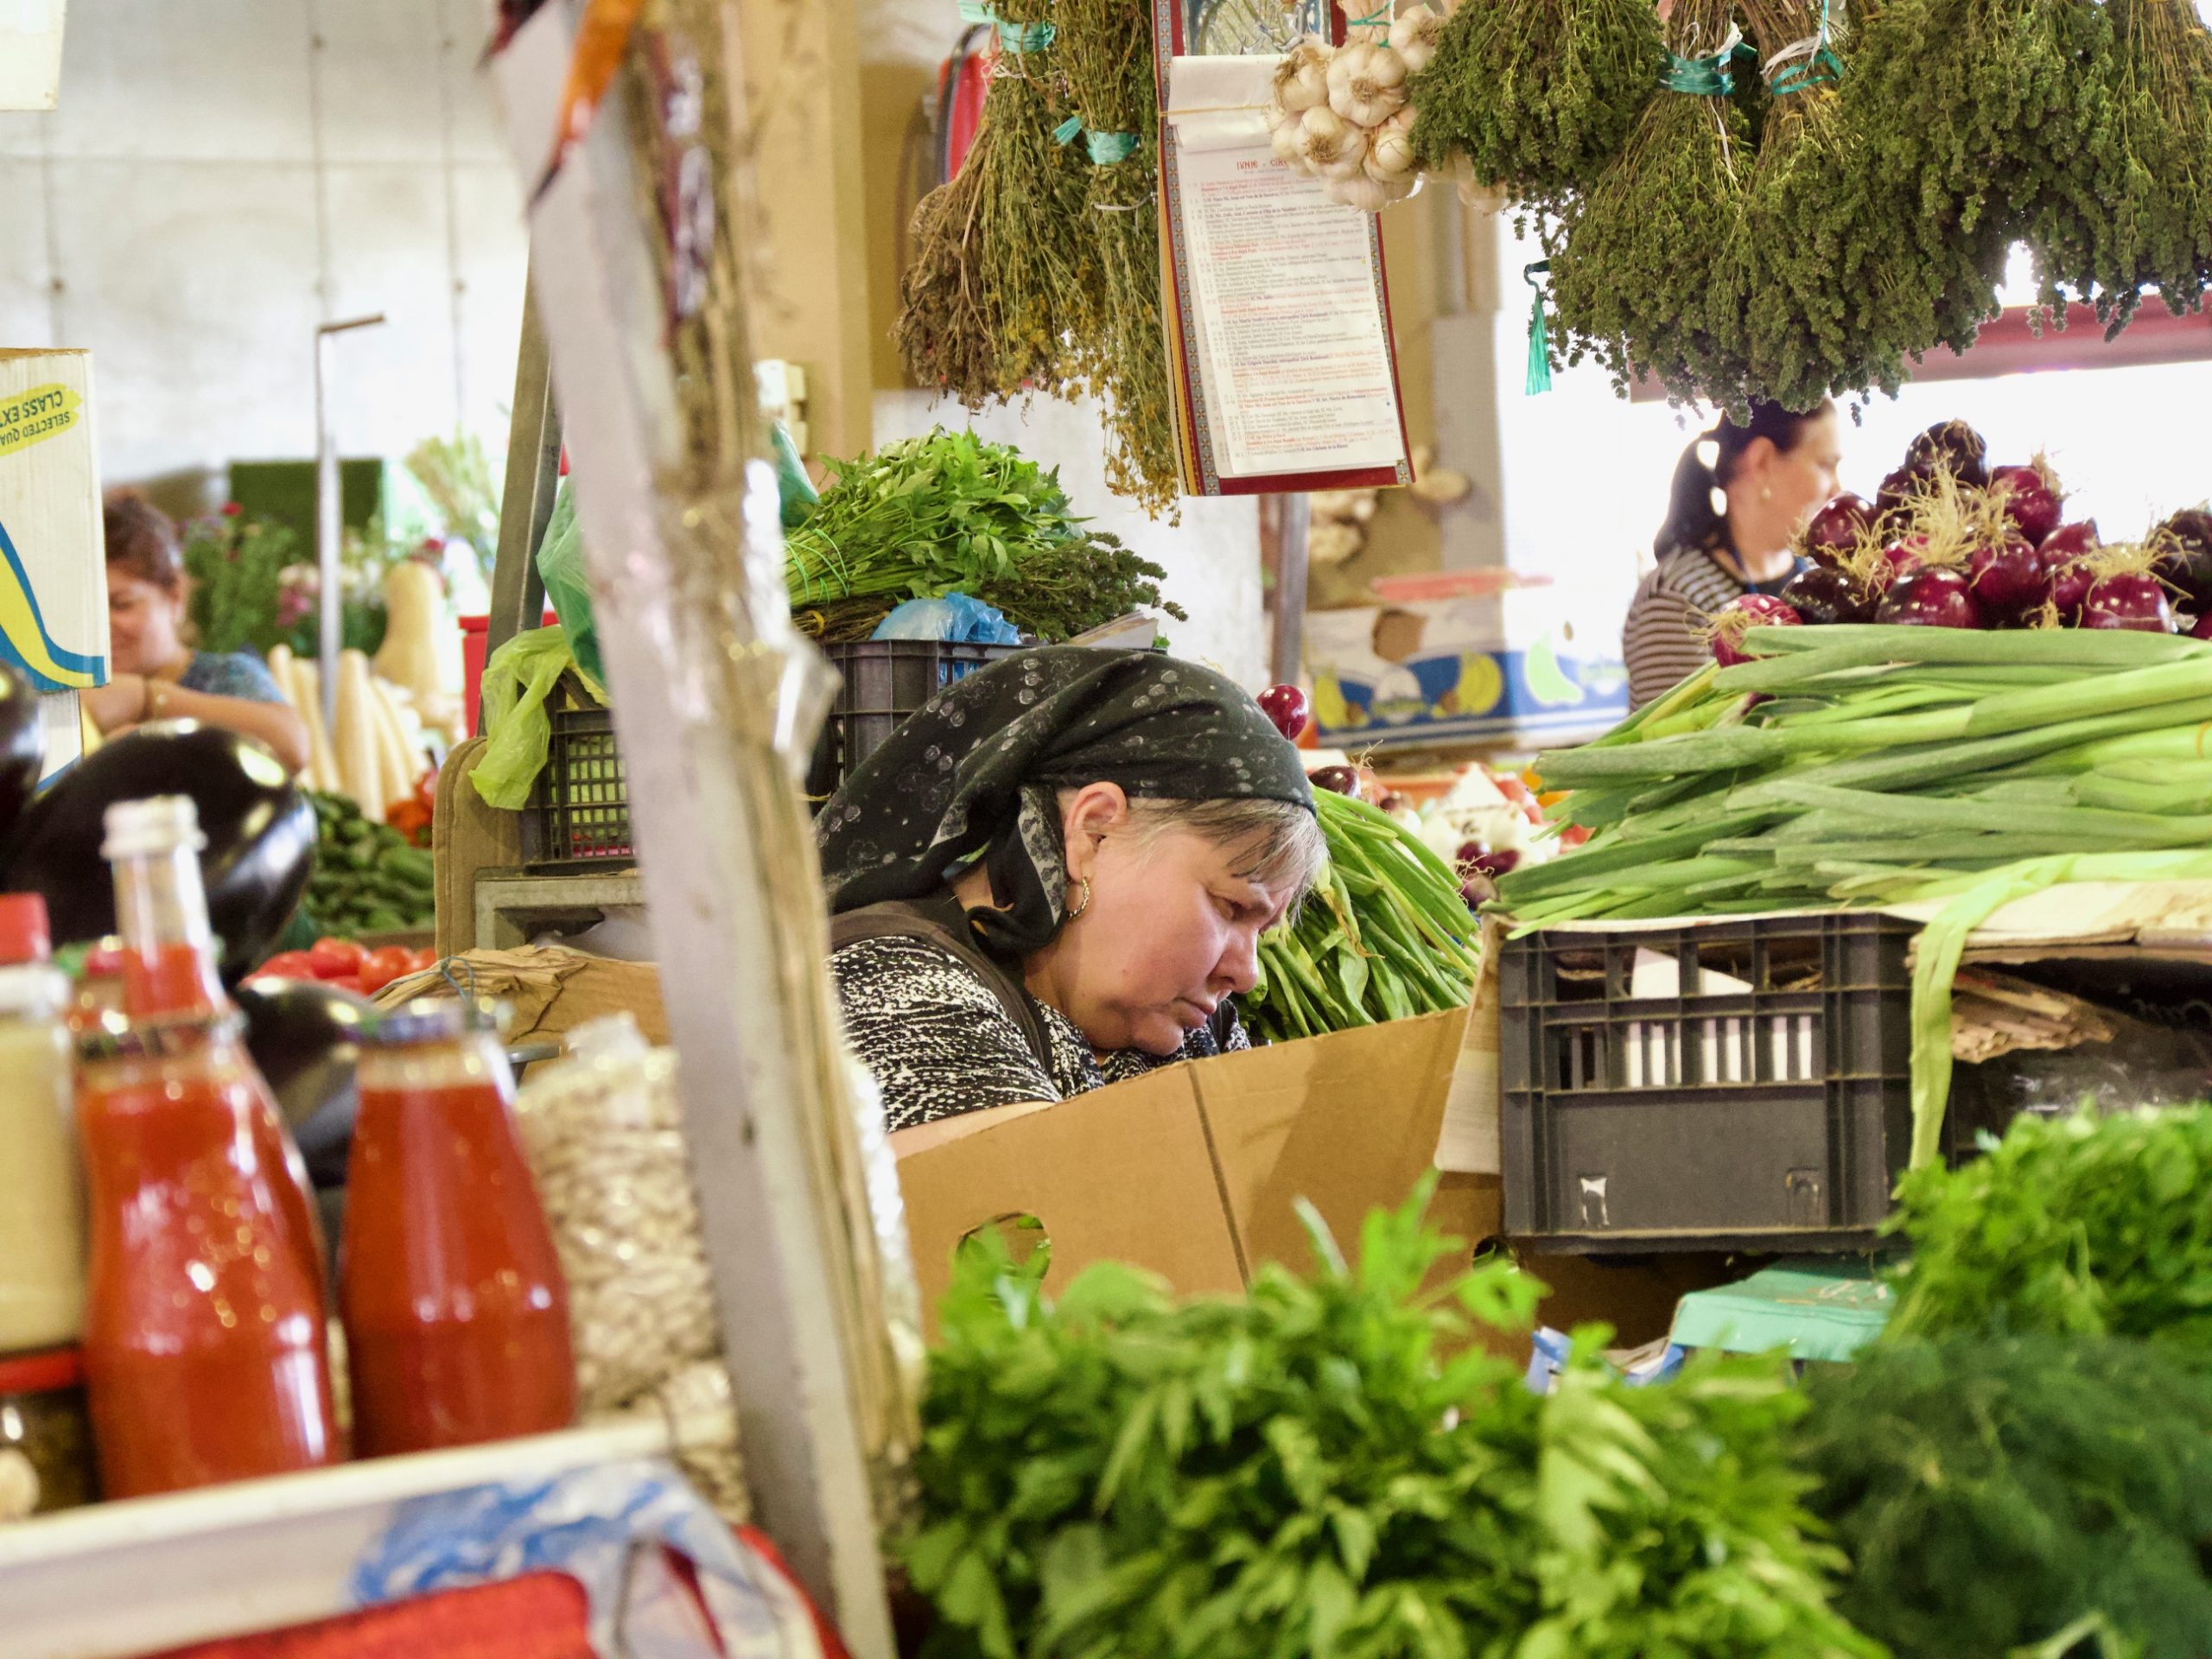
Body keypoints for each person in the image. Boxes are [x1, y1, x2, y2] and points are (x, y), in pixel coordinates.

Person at [821, 647, 1325, 1133]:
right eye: (1232, 907)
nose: (1246, 974)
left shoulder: (1193, 1031)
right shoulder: (895, 989)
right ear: (1094, 831)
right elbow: (1031, 1191)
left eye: (1261, 930)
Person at [1624, 400, 1842, 710]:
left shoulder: (1816, 576)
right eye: (1826, 465)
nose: (1837, 490)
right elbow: (1676, 738)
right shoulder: (1675, 599)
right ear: (1762, 461)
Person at [86, 492, 311, 773]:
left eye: (121, 605)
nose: (101, 628)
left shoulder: (223, 677)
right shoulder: (70, 697)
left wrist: (146, 700)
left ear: (175, 596)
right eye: (86, 611)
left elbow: (292, 748)